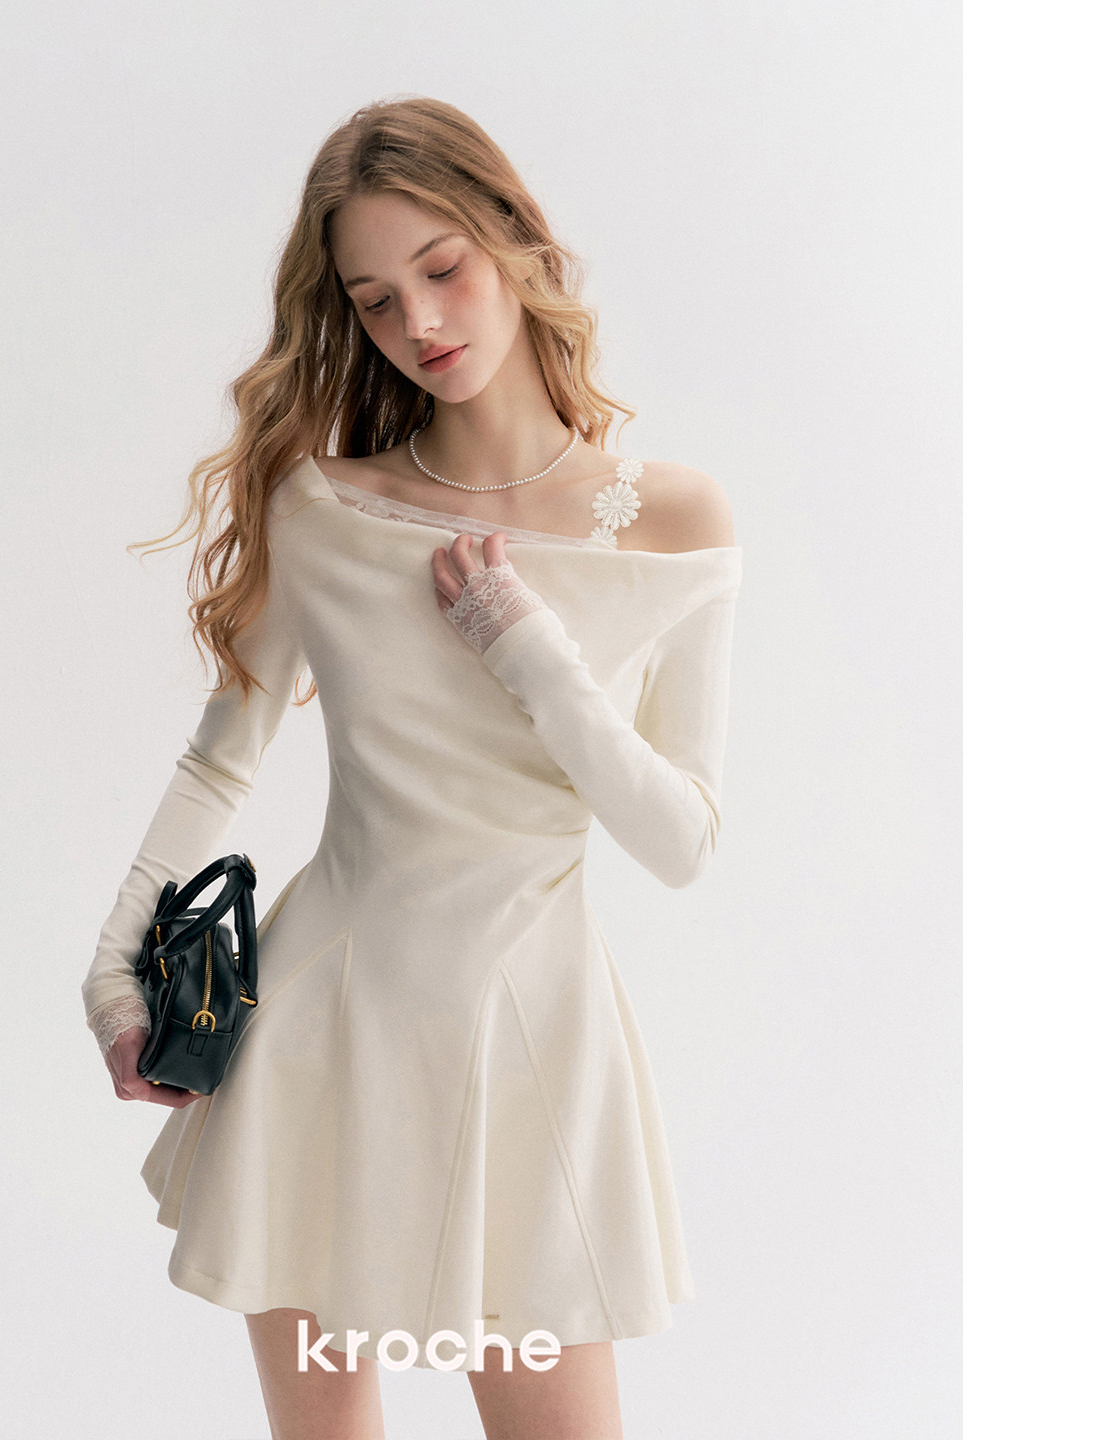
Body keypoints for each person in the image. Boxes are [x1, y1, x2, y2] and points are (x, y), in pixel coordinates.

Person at [81, 96, 741, 1440]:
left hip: (533, 1050)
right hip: (320, 1041)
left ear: (515, 241)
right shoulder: (325, 508)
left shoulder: (672, 519)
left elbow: (682, 842)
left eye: (443, 269)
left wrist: (529, 652)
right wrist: (111, 970)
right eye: (375, 300)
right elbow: (221, 763)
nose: (420, 324)